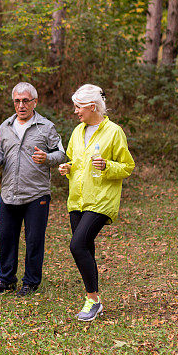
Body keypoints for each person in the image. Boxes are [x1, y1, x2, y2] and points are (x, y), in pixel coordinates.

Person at [58, 84, 134, 321]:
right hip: (78, 200)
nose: (75, 111)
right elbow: (75, 163)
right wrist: (66, 168)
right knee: (86, 248)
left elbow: (127, 166)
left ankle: (92, 299)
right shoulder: (77, 132)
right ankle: (94, 301)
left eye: (79, 107)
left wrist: (108, 166)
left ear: (92, 106)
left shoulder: (113, 132)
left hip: (101, 201)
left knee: (77, 245)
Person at [0, 82, 67, 297]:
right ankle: (6, 281)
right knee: (5, 239)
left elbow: (61, 154)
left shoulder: (46, 127)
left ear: (34, 102)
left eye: (25, 101)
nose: (21, 105)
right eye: (17, 101)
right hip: (9, 192)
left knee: (34, 241)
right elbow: (0, 156)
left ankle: (30, 282)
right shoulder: (5, 126)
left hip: (36, 194)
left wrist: (47, 158)